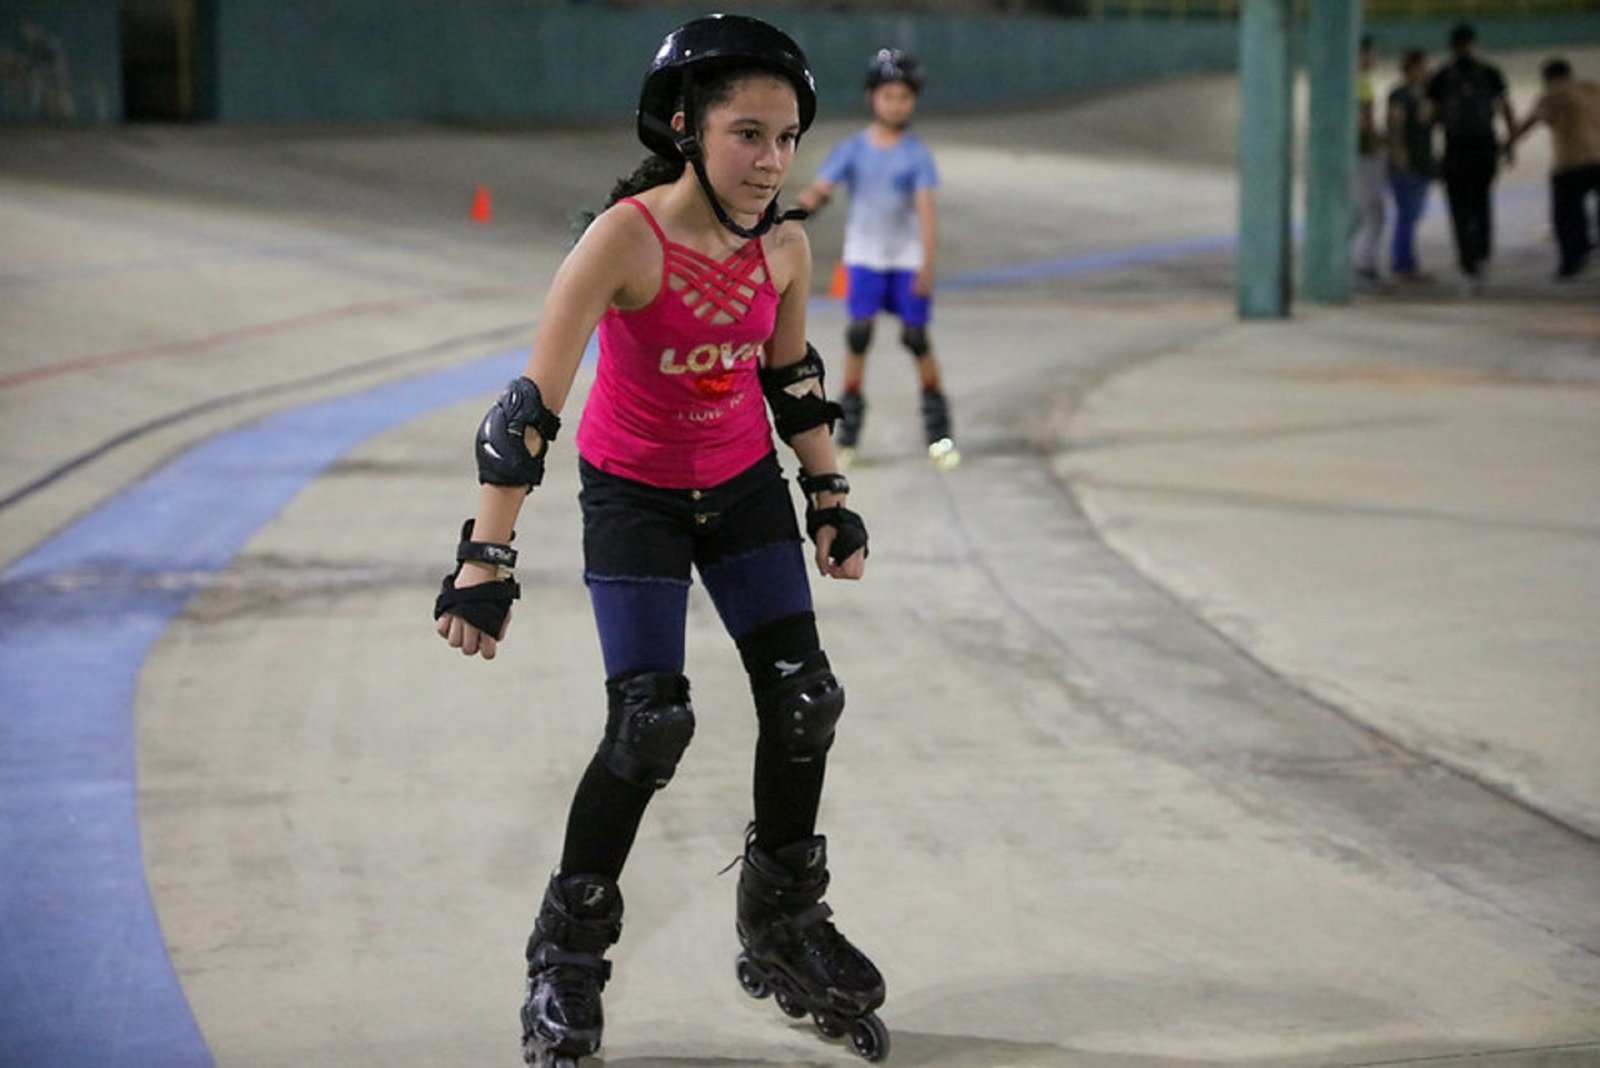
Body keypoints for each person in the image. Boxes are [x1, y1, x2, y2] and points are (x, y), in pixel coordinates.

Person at [431, 15, 887, 1066]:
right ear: (686, 129)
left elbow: (790, 377)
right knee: (650, 724)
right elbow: (527, 412)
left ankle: (782, 920)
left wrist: (827, 496)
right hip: (634, 494)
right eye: (746, 134)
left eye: (786, 138)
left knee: (806, 699)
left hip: (741, 487)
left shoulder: (783, 245)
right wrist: (485, 558)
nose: (771, 160)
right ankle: (566, 955)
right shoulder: (624, 238)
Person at [794, 48, 957, 469]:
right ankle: (848, 434)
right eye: (888, 96)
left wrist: (927, 263)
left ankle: (939, 432)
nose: (895, 105)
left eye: (904, 97)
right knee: (859, 337)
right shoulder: (853, 149)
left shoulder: (916, 154)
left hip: (906, 261)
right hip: (864, 259)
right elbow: (820, 191)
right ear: (872, 97)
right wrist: (793, 214)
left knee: (916, 339)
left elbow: (926, 211)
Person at [1425, 22, 1515, 291]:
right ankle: (1483, 256)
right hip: (1485, 146)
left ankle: (1467, 263)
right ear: (1474, 43)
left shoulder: (1441, 76)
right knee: (1481, 202)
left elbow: (1431, 116)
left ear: (1451, 46)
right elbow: (1505, 108)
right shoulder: (1490, 72)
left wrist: (1430, 150)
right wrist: (1510, 144)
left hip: (1455, 148)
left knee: (1458, 208)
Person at [1506, 57, 1600, 280]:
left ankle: (1572, 262)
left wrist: (1507, 144)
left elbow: (1527, 125)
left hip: (1570, 163)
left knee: (1566, 215)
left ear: (1547, 78)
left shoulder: (1550, 95)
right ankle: (1589, 246)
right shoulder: (1591, 89)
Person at [1386, 48, 1437, 282]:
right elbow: (1395, 127)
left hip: (1422, 161)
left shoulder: (1424, 96)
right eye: (1424, 66)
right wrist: (1399, 155)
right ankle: (1403, 265)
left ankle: (1406, 262)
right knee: (1407, 215)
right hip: (1408, 163)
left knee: (1412, 214)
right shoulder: (1400, 95)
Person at [1353, 35, 1388, 283]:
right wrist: (1383, 142)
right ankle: (1363, 265)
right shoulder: (1361, 84)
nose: (1374, 58)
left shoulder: (1340, 80)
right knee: (1373, 212)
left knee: (1357, 211)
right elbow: (1365, 125)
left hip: (1347, 154)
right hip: (1363, 155)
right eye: (1371, 53)